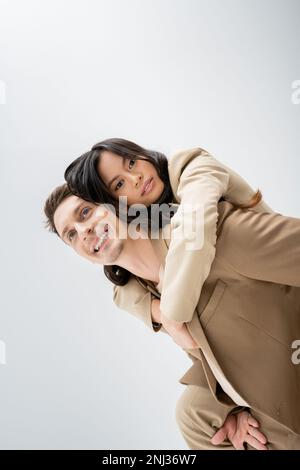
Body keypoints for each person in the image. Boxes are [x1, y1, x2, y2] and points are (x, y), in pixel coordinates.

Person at [43, 185, 300, 449]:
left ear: (114, 202)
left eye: (85, 213)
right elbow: (208, 353)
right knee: (193, 414)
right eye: (71, 234)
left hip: (289, 363)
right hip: (261, 385)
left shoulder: (205, 233)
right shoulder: (139, 291)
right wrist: (231, 407)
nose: (82, 231)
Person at [64, 139, 274, 346]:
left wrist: (171, 318)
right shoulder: (148, 229)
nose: (134, 178)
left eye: (131, 162)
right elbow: (124, 291)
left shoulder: (190, 165)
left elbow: (195, 228)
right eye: (119, 184)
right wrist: (152, 309)